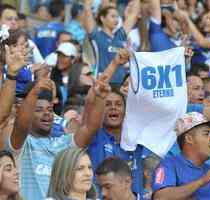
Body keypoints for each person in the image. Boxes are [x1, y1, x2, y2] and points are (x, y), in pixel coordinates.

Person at [7, 70, 111, 200]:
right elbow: (21, 126)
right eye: (38, 110)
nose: (46, 113)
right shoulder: (21, 146)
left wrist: (101, 98)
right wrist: (34, 92)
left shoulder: (64, 143)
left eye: (50, 109)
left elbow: (90, 128)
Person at [152, 112, 210, 199]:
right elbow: (160, 197)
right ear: (189, 139)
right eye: (206, 134)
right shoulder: (169, 165)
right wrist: (201, 182)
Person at [84, 0, 140, 84]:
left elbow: (134, 14)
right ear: (102, 18)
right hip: (103, 84)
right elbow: (87, 10)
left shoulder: (120, 36)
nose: (116, 20)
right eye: (113, 16)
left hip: (121, 84)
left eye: (117, 17)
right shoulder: (96, 36)